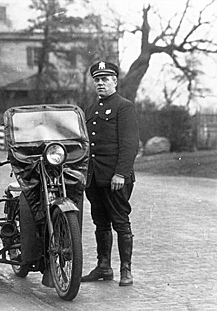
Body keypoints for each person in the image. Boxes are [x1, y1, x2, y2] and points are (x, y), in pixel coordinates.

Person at [81, 61, 139, 286]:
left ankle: (126, 270)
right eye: (97, 79)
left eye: (105, 79)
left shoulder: (124, 107)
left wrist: (121, 174)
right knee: (100, 222)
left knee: (121, 222)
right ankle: (104, 267)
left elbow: (129, 144)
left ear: (115, 81)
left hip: (115, 178)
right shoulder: (91, 108)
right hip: (94, 177)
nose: (100, 83)